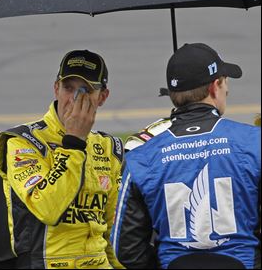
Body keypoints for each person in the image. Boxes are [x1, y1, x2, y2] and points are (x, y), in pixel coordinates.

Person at [111, 43, 261, 269]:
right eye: (225, 83)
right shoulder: (254, 141)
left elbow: (124, 250)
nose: (227, 91)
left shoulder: (140, 158)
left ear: (172, 95)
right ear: (215, 87)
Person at [0, 49, 124, 269]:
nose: (74, 98)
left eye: (85, 90)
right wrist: (74, 141)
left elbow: (114, 229)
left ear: (102, 97)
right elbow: (47, 208)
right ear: (56, 89)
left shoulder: (109, 148)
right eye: (68, 88)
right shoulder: (24, 141)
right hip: (47, 263)